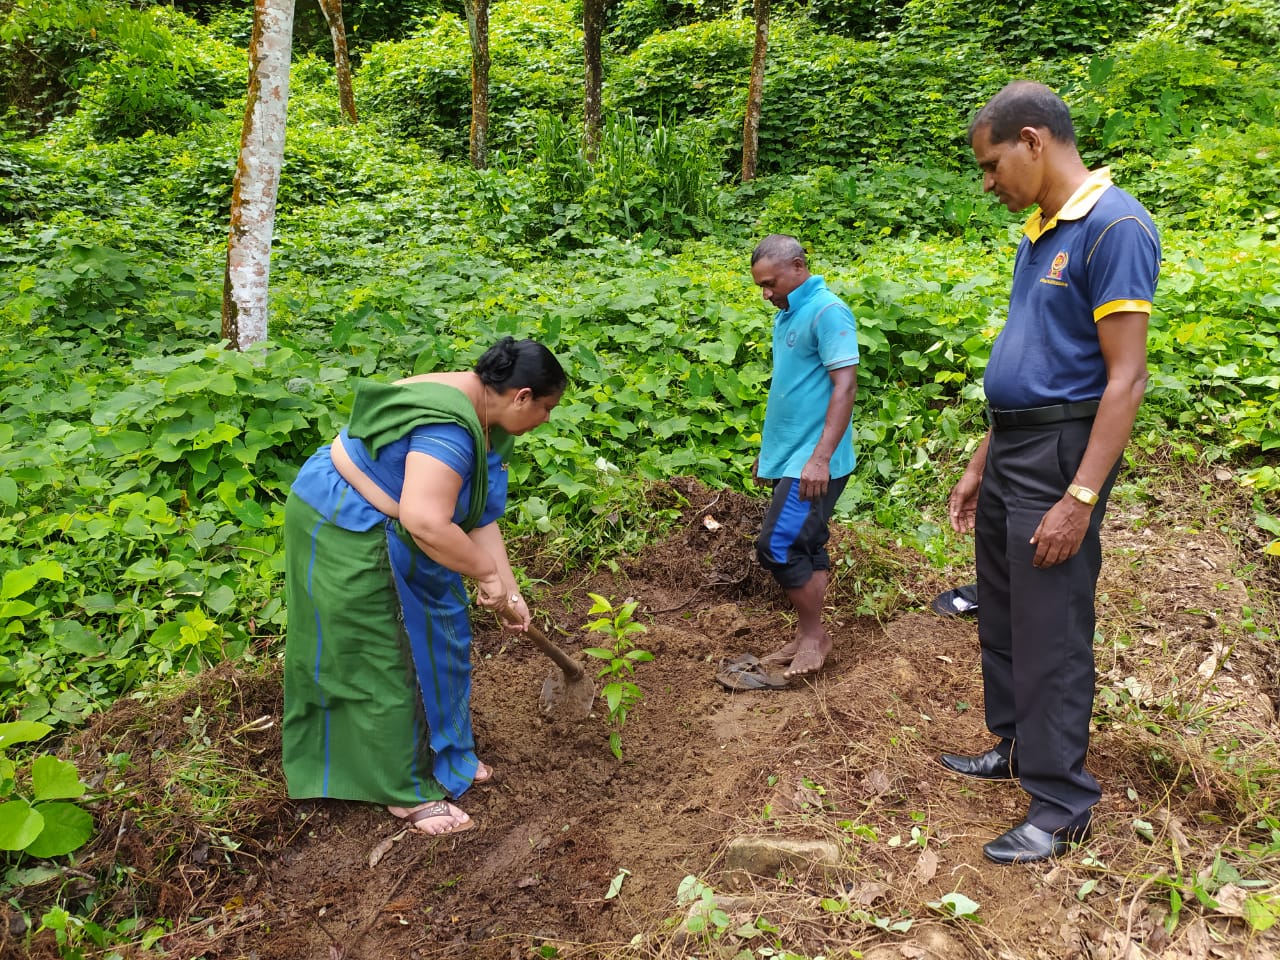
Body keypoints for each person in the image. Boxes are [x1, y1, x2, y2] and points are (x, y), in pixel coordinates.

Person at [940, 81, 1160, 864]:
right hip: (1013, 449)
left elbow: (1124, 379)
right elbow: (1024, 357)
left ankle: (1063, 802)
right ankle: (1015, 746)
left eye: (993, 164)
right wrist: (979, 461)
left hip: (1061, 458)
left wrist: (1080, 497)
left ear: (1032, 140)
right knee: (1000, 611)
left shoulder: (1114, 227)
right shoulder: (1040, 231)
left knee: (1051, 629)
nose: (989, 182)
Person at [282, 338, 567, 836]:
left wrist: (509, 590)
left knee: (442, 633)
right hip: (348, 526)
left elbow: (477, 515)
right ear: (521, 396)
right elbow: (427, 522)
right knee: (388, 655)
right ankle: (405, 790)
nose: (546, 419)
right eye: (545, 408)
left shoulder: (486, 413)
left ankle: (447, 753)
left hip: (407, 524)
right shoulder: (449, 430)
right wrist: (484, 574)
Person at [749, 234, 859, 680]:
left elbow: (844, 386)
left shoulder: (828, 312)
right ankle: (805, 634)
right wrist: (769, 454)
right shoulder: (790, 312)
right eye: (761, 285)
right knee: (805, 544)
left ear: (798, 266)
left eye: (772, 282)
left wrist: (820, 458)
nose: (766, 293)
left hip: (814, 462)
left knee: (775, 545)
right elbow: (791, 390)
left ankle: (814, 636)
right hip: (790, 456)